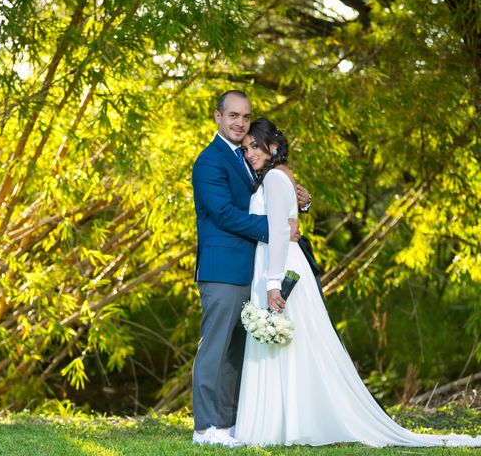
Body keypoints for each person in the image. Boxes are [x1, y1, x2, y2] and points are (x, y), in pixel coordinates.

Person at [234, 117, 481, 447]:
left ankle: (286, 423)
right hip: (282, 261)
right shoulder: (280, 176)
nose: (249, 153)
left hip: (279, 266)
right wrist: (301, 206)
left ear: (273, 147)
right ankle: (287, 422)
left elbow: (279, 231)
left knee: (290, 342)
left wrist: (272, 282)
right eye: (247, 147)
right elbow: (285, 219)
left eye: (255, 146)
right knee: (295, 344)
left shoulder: (275, 180)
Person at [191, 92, 311, 447]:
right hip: (223, 269)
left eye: (245, 117)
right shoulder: (209, 162)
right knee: (215, 348)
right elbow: (224, 213)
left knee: (237, 352)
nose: (240, 123)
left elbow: (272, 197)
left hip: (253, 270)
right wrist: (273, 229)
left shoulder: (247, 157)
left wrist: (298, 204)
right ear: (217, 117)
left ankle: (227, 424)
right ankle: (204, 428)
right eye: (233, 116)